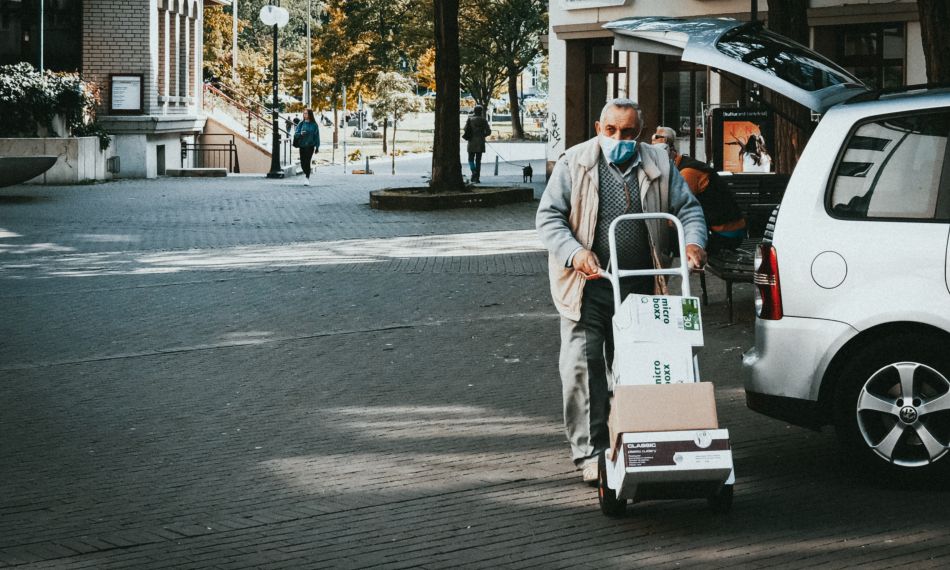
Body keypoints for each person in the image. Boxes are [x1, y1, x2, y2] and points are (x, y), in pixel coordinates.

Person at [536, 98, 707, 484]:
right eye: (611, 131)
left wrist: (693, 243)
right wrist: (575, 252)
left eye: (628, 132)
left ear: (641, 133)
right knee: (584, 367)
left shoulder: (660, 163)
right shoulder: (574, 162)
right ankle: (589, 453)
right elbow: (548, 217)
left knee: (640, 366)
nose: (619, 138)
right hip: (588, 283)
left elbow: (689, 209)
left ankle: (637, 439)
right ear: (599, 128)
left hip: (643, 281)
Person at [653, 126, 747, 252]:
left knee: (665, 237)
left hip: (725, 234)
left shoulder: (687, 172)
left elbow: (681, 209)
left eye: (657, 155)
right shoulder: (683, 165)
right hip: (723, 228)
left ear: (669, 149)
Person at [463, 105, 491, 183]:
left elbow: (465, 129)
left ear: (474, 111)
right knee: (478, 161)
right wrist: (483, 135)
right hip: (480, 142)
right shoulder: (484, 120)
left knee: (470, 159)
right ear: (481, 112)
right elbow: (489, 131)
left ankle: (473, 172)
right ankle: (477, 177)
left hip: (471, 142)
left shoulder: (470, 120)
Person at [294, 109, 320, 186]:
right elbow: (296, 134)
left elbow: (317, 136)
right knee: (302, 163)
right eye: (304, 113)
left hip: (310, 146)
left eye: (306, 113)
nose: (304, 115)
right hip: (302, 145)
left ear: (310, 114)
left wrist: (317, 147)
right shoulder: (301, 123)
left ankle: (307, 178)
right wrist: (300, 134)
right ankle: (306, 172)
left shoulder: (314, 125)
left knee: (307, 161)